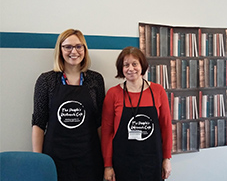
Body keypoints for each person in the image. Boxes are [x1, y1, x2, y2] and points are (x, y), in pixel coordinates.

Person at [31, 29, 105, 181]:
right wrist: (37, 162)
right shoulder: (46, 81)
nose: (74, 51)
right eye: (68, 47)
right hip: (55, 158)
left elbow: (100, 122)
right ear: (60, 50)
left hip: (89, 158)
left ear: (85, 50)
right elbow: (38, 123)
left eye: (79, 46)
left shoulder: (95, 80)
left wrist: (107, 160)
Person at [101, 46, 172, 181]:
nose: (130, 68)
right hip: (122, 162)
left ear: (142, 65)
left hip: (152, 161)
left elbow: (166, 127)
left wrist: (166, 159)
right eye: (126, 65)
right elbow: (107, 132)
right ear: (121, 68)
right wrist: (108, 165)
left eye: (135, 64)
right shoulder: (113, 94)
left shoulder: (158, 91)